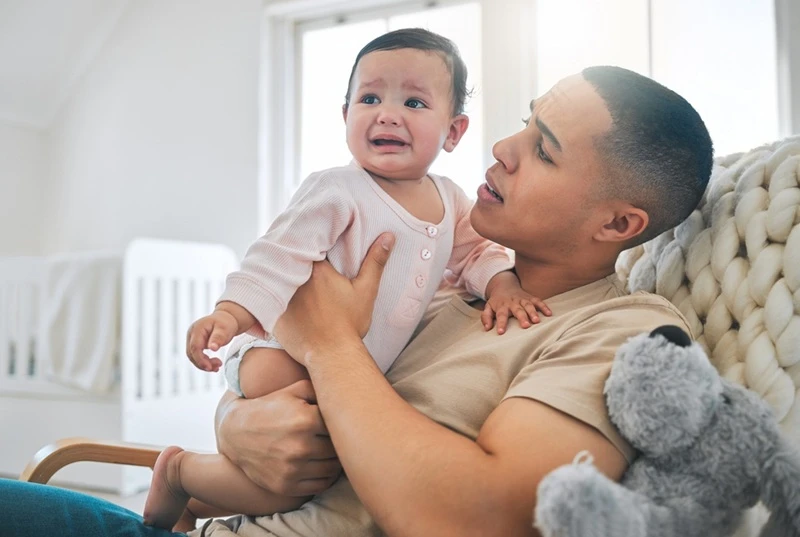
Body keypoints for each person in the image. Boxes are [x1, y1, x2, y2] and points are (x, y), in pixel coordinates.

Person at [0, 63, 713, 537]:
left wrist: (330, 343)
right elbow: (286, 360)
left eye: (545, 149)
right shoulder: (441, 283)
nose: (501, 147)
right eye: (524, 123)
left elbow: (480, 516)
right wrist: (238, 422)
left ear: (618, 224)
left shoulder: (625, 333)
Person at [142, 28, 549, 531]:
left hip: (344, 372)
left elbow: (478, 254)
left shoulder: (451, 201)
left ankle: (183, 478)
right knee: (308, 443)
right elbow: (276, 255)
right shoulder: (337, 190)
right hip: (280, 355)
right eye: (370, 97)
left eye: (415, 102)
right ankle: (182, 478)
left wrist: (502, 285)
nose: (388, 113)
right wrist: (230, 313)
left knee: (305, 475)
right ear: (345, 116)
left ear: (453, 132)